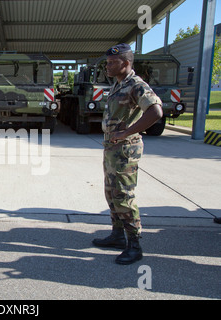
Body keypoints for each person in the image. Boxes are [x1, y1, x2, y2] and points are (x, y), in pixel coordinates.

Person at [92, 44, 163, 265]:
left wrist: (126, 132)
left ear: (126, 63)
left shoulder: (136, 85)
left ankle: (135, 245)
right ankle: (117, 235)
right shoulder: (117, 85)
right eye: (107, 63)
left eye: (112, 62)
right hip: (112, 149)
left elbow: (156, 111)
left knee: (124, 196)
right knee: (111, 193)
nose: (107, 66)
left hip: (125, 150)